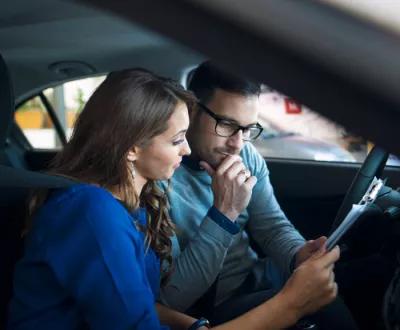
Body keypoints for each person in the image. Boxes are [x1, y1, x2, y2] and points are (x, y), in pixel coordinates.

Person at [8, 68, 339, 330]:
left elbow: (140, 302)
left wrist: (191, 325)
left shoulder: (132, 203)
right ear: (133, 147)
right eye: (177, 139)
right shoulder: (93, 214)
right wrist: (290, 305)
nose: (186, 149)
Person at [159, 61, 358, 329]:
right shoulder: (159, 176)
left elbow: (272, 227)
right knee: (327, 307)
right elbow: (172, 299)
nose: (237, 144)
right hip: (215, 307)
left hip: (259, 277)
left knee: (359, 276)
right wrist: (224, 213)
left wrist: (298, 254)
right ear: (191, 110)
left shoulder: (246, 155)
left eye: (247, 129)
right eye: (227, 125)